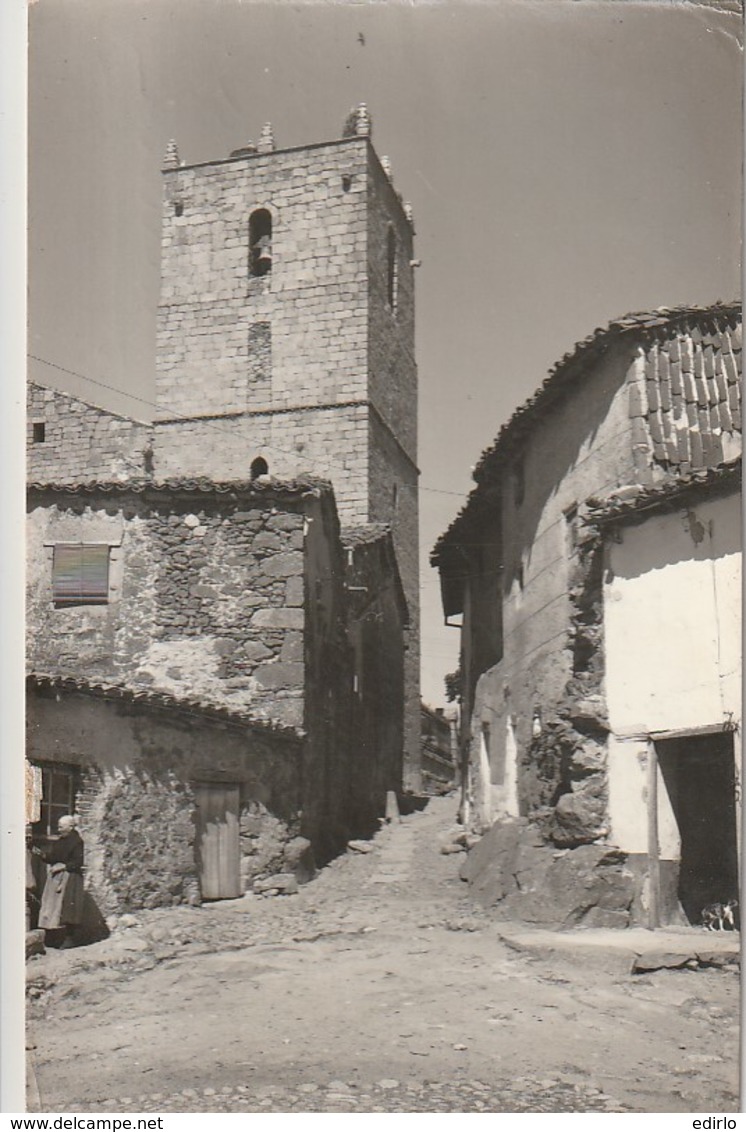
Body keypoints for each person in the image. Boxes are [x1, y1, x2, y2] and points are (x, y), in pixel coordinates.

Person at [35, 815, 85, 948]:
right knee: (51, 906)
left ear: (70, 827)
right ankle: (52, 938)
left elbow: (78, 862)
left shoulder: (77, 842)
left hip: (70, 878)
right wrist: (42, 854)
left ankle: (69, 940)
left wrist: (63, 866)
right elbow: (53, 857)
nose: (59, 829)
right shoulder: (60, 841)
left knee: (67, 908)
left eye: (61, 827)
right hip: (56, 878)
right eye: (58, 826)